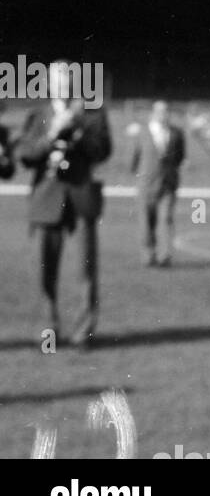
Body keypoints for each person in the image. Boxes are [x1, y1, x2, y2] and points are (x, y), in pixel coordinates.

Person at [16, 70, 113, 349]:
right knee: (46, 270)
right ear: (48, 84)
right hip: (47, 200)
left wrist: (78, 130)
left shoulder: (93, 112)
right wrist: (52, 134)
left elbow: (104, 150)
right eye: (57, 81)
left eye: (68, 80)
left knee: (86, 269)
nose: (63, 86)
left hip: (82, 198)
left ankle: (84, 333)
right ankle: (48, 331)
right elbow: (26, 155)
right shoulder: (38, 115)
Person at [130, 99, 186, 266]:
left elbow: (179, 157)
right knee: (146, 224)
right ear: (153, 114)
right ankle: (149, 255)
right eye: (160, 111)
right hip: (146, 186)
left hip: (167, 185)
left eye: (166, 111)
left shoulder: (177, 133)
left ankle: (164, 256)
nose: (164, 115)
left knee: (166, 219)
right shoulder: (142, 132)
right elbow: (134, 159)